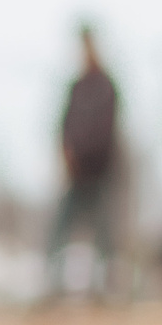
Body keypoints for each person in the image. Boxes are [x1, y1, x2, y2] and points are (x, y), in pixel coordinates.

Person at [47, 24, 122, 299]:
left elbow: (107, 131)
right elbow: (63, 125)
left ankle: (106, 289)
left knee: (104, 235)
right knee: (59, 230)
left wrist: (93, 160)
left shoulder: (106, 86)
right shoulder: (76, 88)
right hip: (75, 174)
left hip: (99, 174)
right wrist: (67, 157)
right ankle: (52, 285)